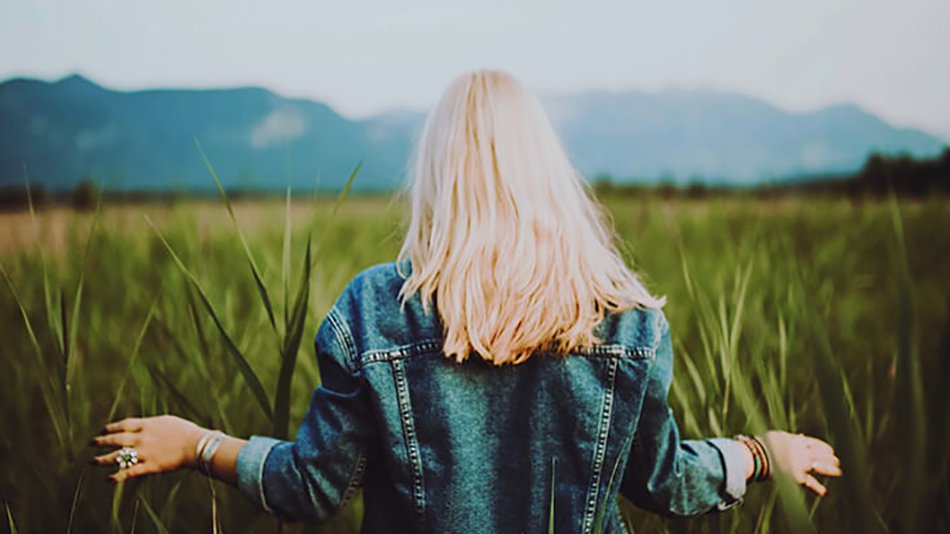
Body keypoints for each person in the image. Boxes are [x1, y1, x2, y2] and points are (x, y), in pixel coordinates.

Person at [91, 69, 841, 532]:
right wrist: (757, 454)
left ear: (438, 172)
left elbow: (311, 489)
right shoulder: (627, 316)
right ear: (547, 171)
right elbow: (662, 481)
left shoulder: (375, 309)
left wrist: (196, 444)